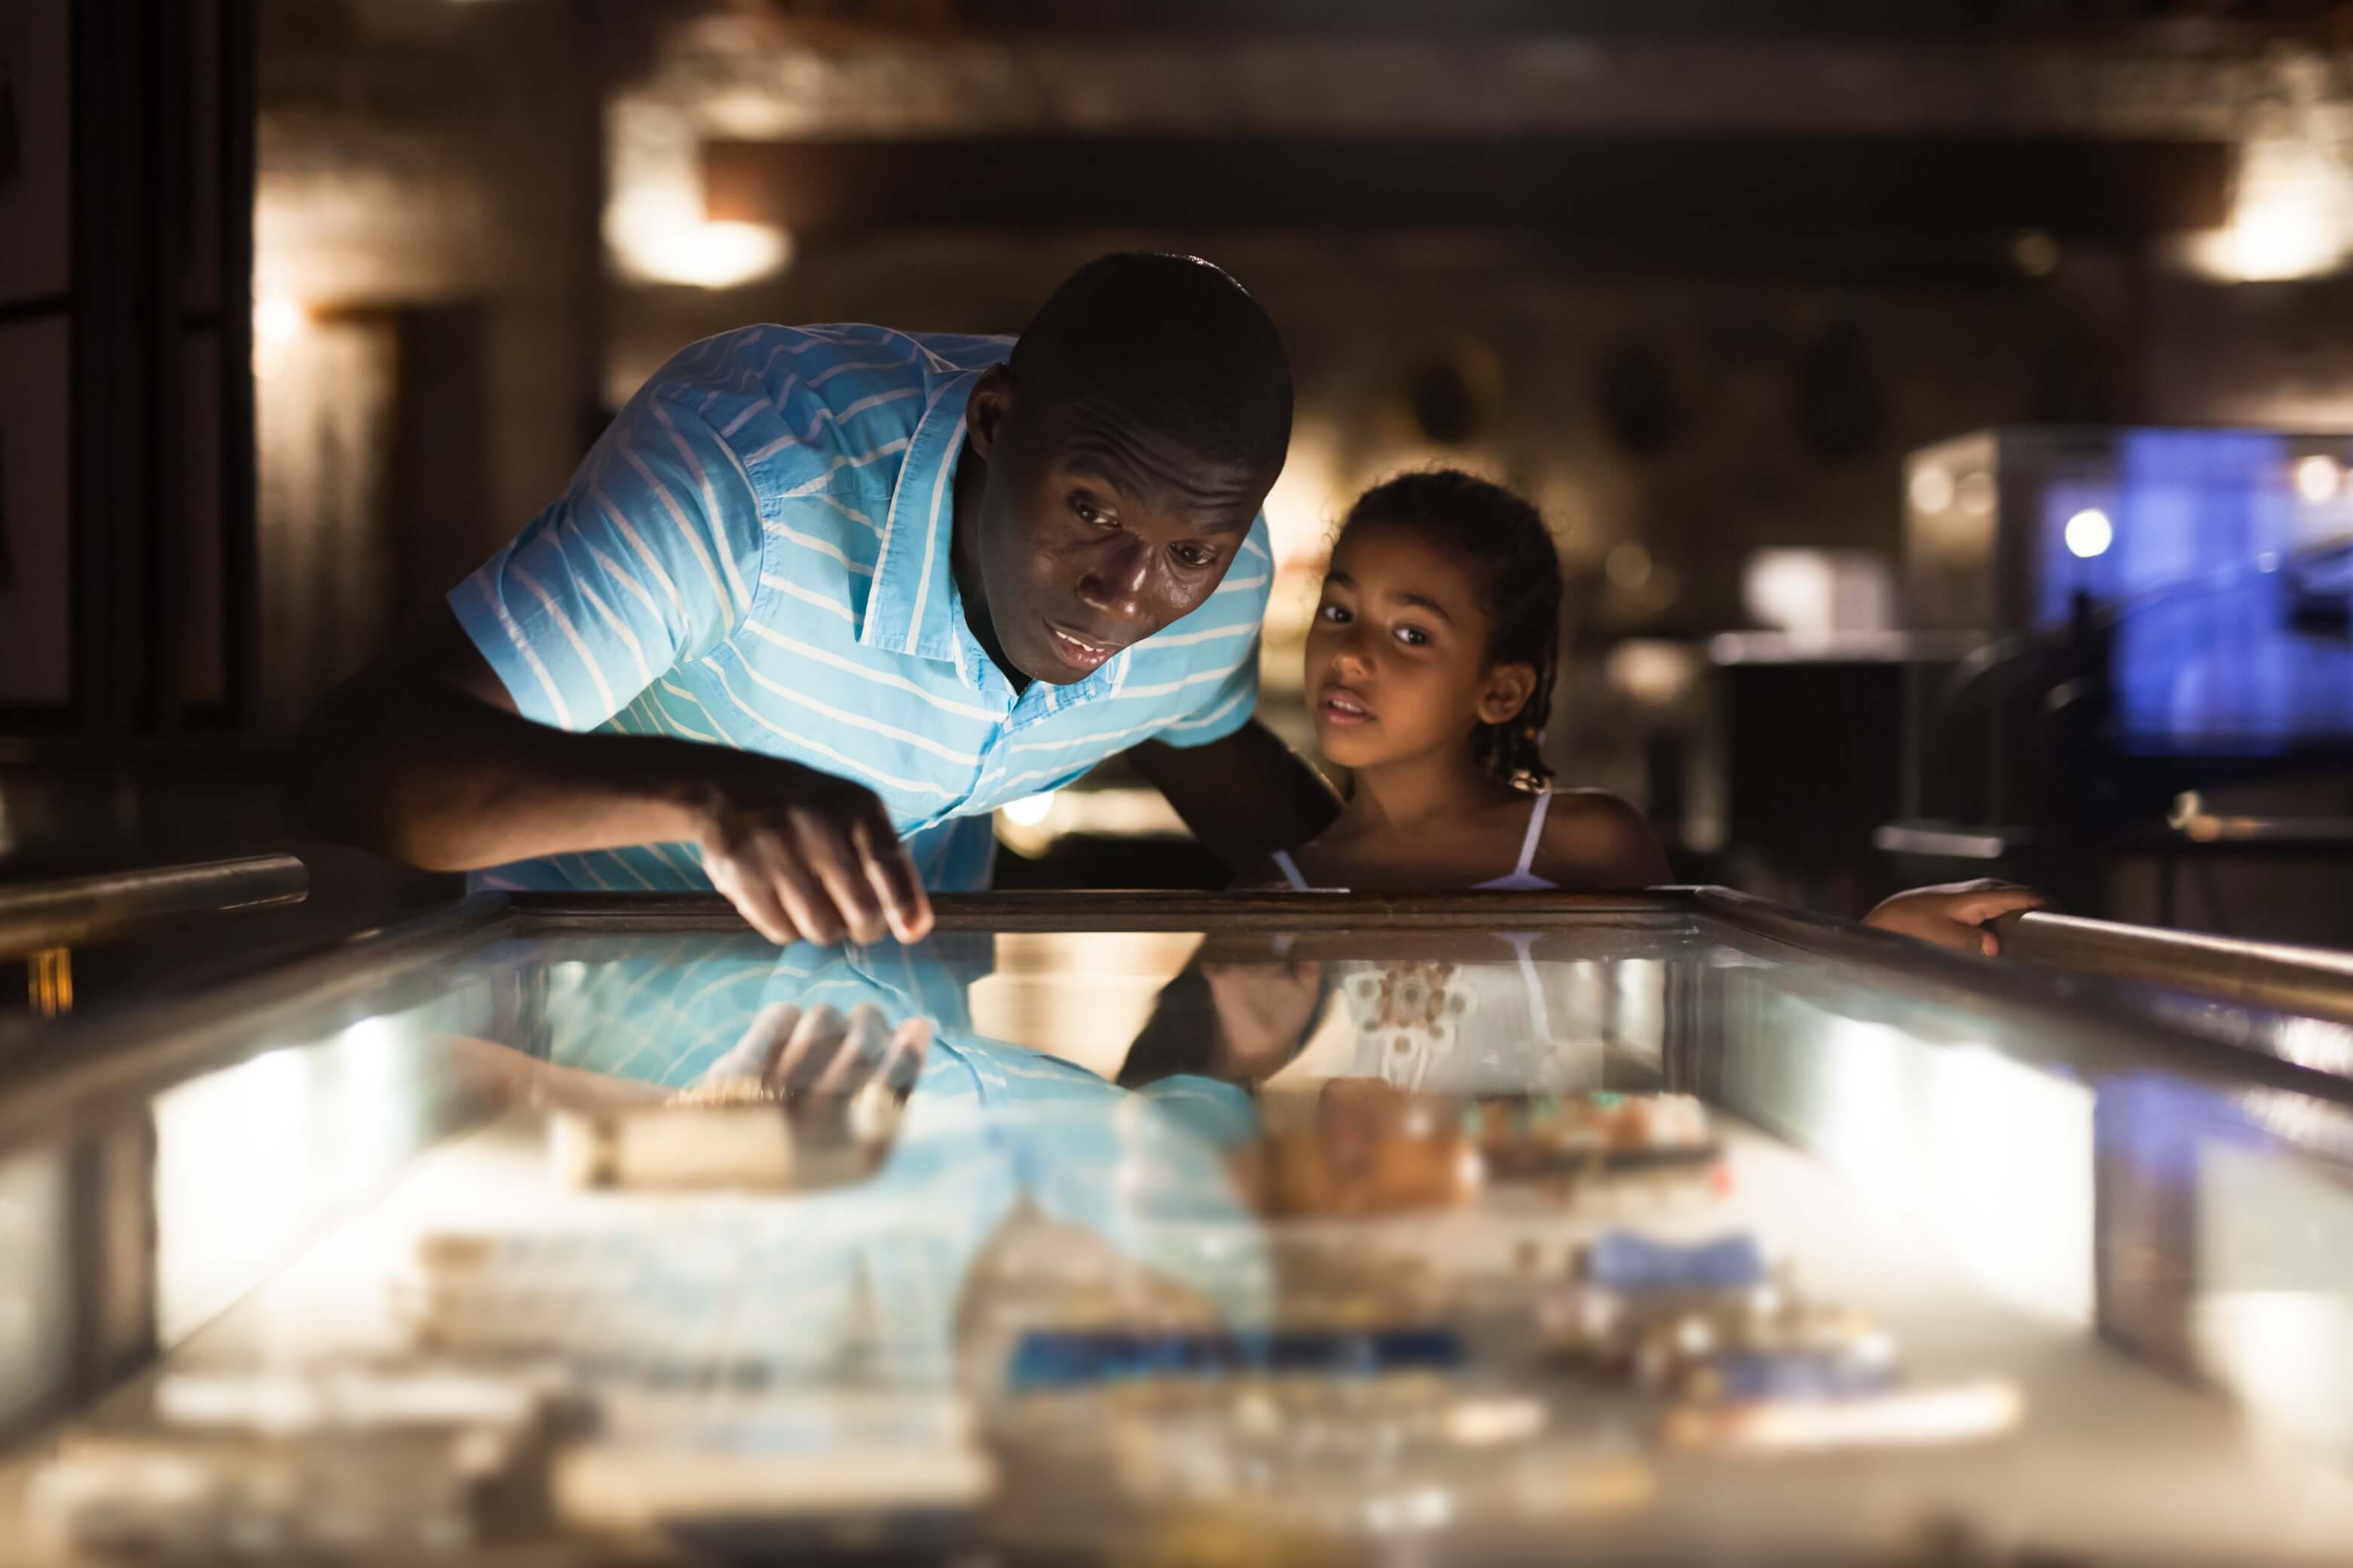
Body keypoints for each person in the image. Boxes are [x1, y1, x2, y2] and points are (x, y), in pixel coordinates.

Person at [284, 254, 1339, 946]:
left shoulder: (1217, 584)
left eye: (1189, 551)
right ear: (992, 421)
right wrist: (711, 794)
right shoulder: (751, 472)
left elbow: (1215, 757)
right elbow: (357, 767)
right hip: (583, 1072)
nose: (1125, 596)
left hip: (905, 1087)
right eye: (1092, 512)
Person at [1251, 469, 2042, 949]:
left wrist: (1876, 942)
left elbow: (1703, 1015)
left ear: (1500, 690)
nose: (1351, 653)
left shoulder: (1585, 843)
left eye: (1411, 632)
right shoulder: (1273, 892)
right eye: (1336, 612)